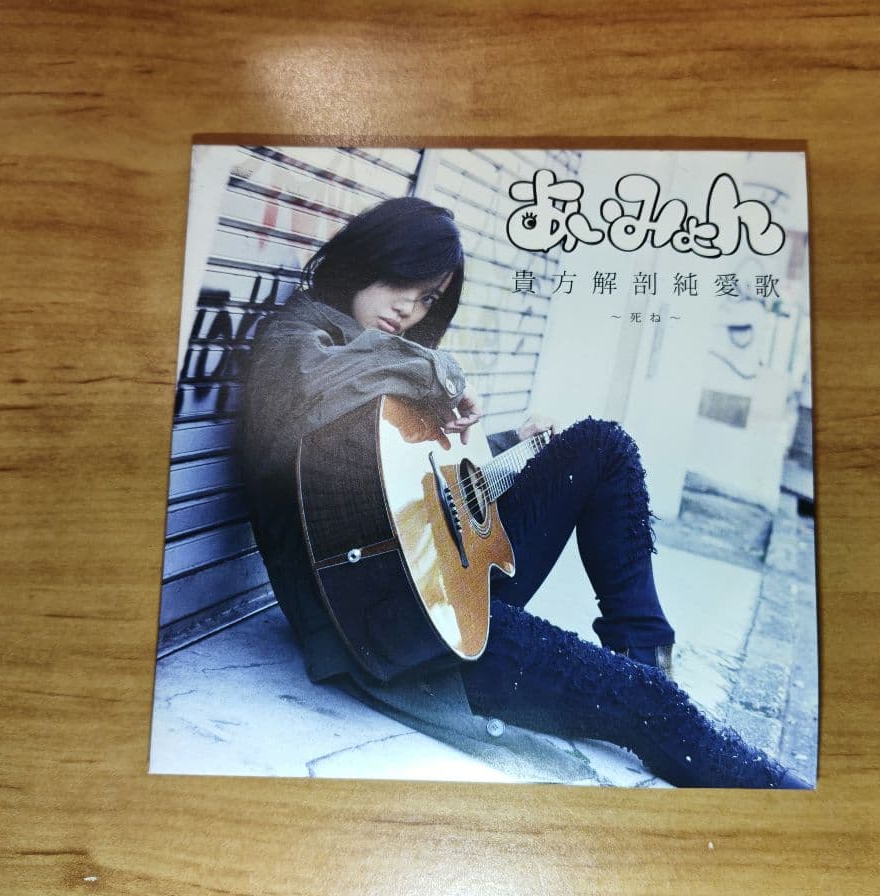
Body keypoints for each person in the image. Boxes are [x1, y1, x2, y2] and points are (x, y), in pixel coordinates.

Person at [235, 196, 808, 788]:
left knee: (602, 447)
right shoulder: (296, 343)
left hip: (441, 577)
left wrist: (513, 444)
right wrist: (441, 375)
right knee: (647, 706)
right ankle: (785, 801)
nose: (409, 308)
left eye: (428, 298)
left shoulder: (376, 354)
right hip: (398, 636)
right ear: (368, 256)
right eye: (404, 282)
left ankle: (643, 651)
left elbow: (406, 473)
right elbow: (324, 389)